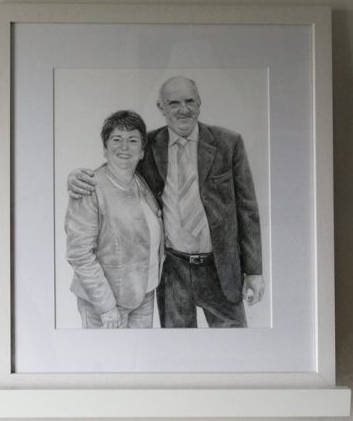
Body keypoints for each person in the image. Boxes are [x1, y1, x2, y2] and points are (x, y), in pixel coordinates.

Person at [68, 77, 264, 328]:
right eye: (174, 103)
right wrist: (76, 178)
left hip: (220, 268)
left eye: (190, 101)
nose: (184, 109)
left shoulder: (228, 143)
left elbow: (248, 209)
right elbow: (117, 166)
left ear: (200, 103)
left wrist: (255, 270)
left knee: (235, 348)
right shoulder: (147, 145)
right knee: (178, 350)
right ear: (161, 108)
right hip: (173, 272)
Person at [66, 110, 164, 329]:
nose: (124, 147)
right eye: (116, 139)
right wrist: (106, 306)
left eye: (132, 140)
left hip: (144, 295)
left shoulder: (141, 182)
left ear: (141, 151)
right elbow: (79, 254)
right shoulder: (89, 187)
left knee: (138, 359)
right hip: (106, 304)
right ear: (105, 149)